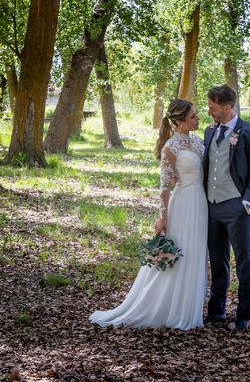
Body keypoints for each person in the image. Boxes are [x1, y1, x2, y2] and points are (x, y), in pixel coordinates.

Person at [89, 99, 208, 330]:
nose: (197, 119)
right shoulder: (170, 148)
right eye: (193, 116)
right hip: (182, 206)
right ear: (180, 121)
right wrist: (163, 217)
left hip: (201, 205)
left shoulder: (200, 143)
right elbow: (164, 187)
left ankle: (189, 308)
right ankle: (166, 308)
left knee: (195, 255)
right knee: (179, 255)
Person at [203, 85, 250, 330]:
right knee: (217, 261)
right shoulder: (209, 132)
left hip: (238, 206)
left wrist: (248, 201)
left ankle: (244, 315)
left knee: (244, 261)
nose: (209, 112)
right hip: (211, 206)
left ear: (227, 107)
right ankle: (217, 312)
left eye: (212, 108)